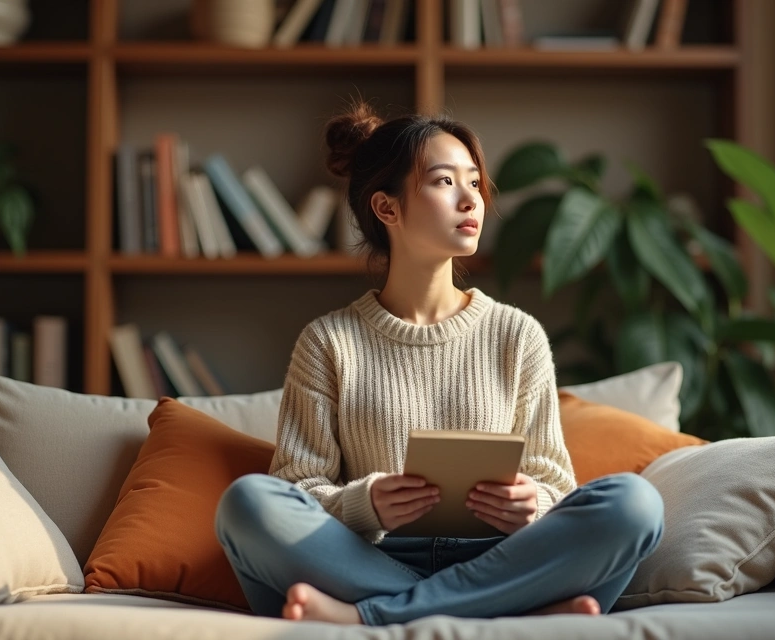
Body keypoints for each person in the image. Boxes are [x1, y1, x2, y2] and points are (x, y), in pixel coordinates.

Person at [215, 101, 666, 626]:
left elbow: (555, 483)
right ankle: (510, 614)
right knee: (247, 503)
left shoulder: (517, 335)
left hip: (503, 558)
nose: (471, 199)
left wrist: (533, 502)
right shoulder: (328, 342)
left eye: (474, 182)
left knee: (635, 504)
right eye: (445, 182)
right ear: (387, 209)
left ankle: (371, 617)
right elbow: (298, 488)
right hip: (370, 559)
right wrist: (367, 504)